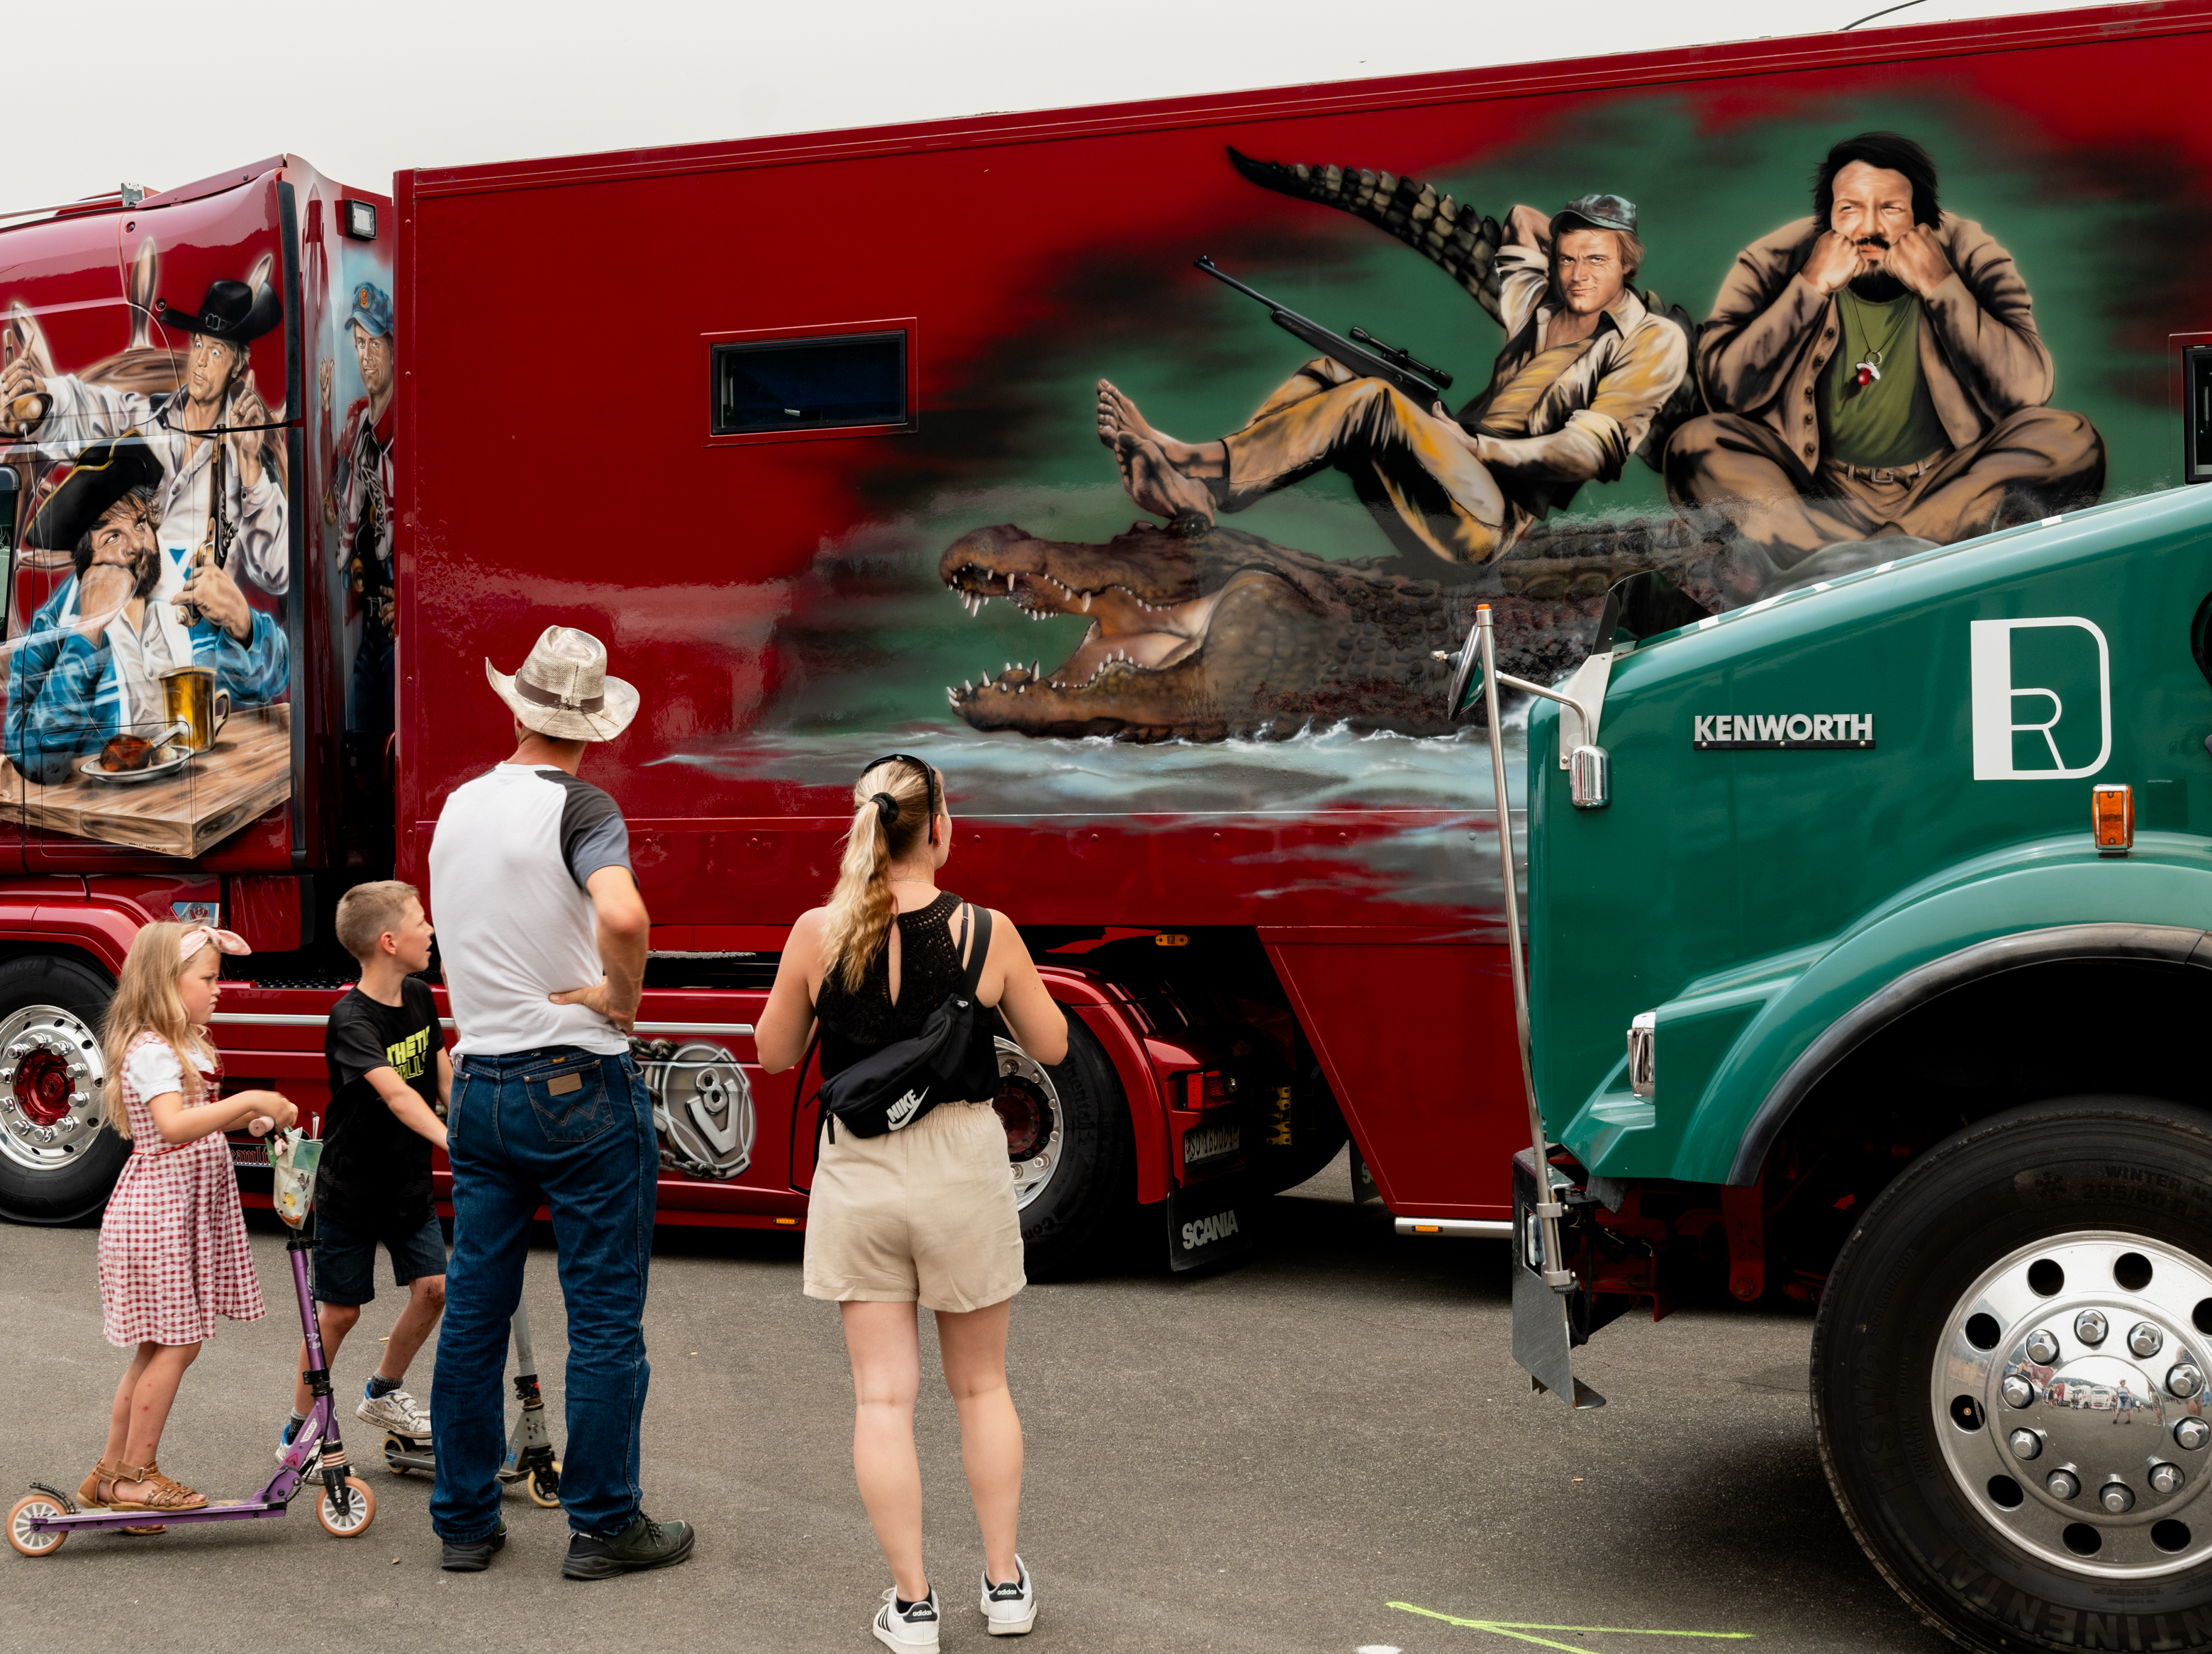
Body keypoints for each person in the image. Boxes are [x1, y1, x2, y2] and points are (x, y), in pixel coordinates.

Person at [756, 754, 1068, 1648]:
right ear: (939, 826)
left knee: (883, 1399)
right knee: (980, 1386)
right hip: (961, 1163)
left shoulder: (816, 930)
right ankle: (1004, 1585)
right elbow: (1048, 1042)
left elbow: (775, 1052)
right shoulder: (986, 930)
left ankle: (914, 1603)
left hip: (859, 1169)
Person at [425, 625, 694, 1577]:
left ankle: (462, 1519)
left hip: (483, 1082)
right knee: (605, 1313)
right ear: (594, 726)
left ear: (518, 706)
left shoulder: (456, 805)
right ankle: (604, 1523)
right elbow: (623, 912)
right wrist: (622, 1000)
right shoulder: (582, 807)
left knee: (474, 1311)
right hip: (578, 1084)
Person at [1097, 190, 1685, 566]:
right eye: (1568, 258)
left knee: (1374, 398)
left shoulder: (1652, 339)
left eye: (1598, 260)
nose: (1578, 274)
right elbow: (1519, 221)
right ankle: (1213, 492)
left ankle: (1193, 459)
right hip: (1445, 467)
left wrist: (1473, 444)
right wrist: (1569, 234)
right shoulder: (1538, 305)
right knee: (1335, 369)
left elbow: (1589, 449)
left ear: (1628, 265)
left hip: (1492, 517)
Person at [1663, 131, 2105, 579]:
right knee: (1696, 444)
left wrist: (1942, 286)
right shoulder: (1774, 259)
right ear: (1827, 218)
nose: (1868, 228)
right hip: (1819, 497)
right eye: (1849, 209)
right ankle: (1892, 557)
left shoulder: (1970, 253)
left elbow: (2027, 390)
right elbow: (1725, 391)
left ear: (1923, 219)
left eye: (1889, 208)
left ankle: (1842, 565)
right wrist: (1808, 286)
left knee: (2071, 439)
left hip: (1943, 493)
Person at [82, 920, 296, 1521]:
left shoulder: (183, 1043)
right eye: (207, 977)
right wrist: (250, 1099)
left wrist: (242, 1122)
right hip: (157, 1214)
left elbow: (193, 1118)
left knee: (158, 1346)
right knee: (177, 1342)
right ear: (165, 983)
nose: (218, 988)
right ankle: (137, 1476)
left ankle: (110, 1473)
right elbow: (173, 1127)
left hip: (177, 1209)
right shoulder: (152, 1050)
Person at [279, 879, 450, 1463]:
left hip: (407, 1184)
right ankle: (299, 1425)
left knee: (435, 1289)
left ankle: (383, 1392)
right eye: (420, 920)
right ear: (387, 940)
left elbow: (442, 1070)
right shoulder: (350, 1018)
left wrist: (482, 1117)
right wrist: (456, 1143)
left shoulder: (421, 995)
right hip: (351, 1189)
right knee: (341, 1314)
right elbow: (399, 1095)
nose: (430, 929)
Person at [1, 438, 289, 782]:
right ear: (86, 561)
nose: (137, 545)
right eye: (112, 537)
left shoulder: (192, 594)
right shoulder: (52, 628)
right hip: (107, 821)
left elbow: (270, 683)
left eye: (140, 524)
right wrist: (86, 635)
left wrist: (244, 625)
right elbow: (34, 761)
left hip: (203, 803)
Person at [0, 274, 291, 596]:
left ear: (238, 367)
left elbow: (277, 573)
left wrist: (250, 470)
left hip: (197, 635)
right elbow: (88, 407)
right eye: (199, 344)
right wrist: (38, 399)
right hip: (122, 626)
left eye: (216, 352)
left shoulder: (245, 451)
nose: (200, 362)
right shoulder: (147, 418)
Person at [323, 281, 397, 737]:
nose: (366, 356)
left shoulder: (406, 426)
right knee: (364, 742)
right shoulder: (354, 420)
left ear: (392, 347)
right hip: (365, 617)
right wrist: (323, 409)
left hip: (396, 625)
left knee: (394, 748)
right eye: (359, 344)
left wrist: (412, 595)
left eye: (375, 343)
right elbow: (331, 506)